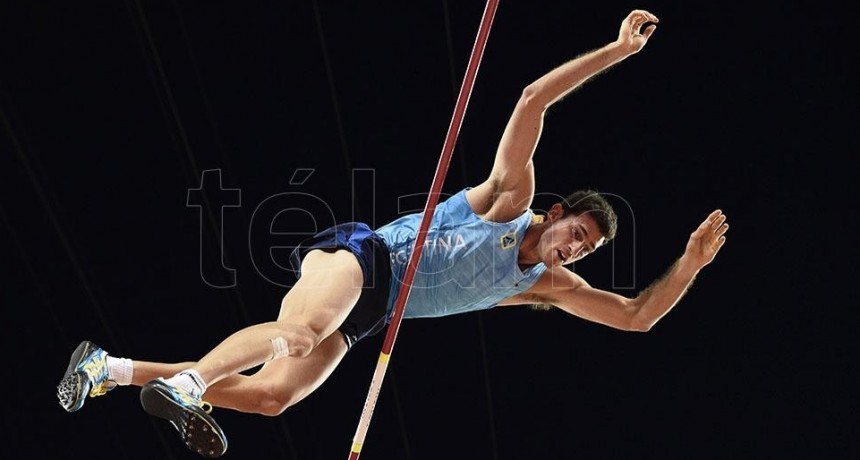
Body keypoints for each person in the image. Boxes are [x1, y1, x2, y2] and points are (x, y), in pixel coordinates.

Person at [57, 9, 728, 458]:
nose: (576, 249)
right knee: (299, 332)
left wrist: (691, 264)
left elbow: (637, 317)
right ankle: (192, 382)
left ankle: (109, 369)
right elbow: (531, 101)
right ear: (555, 213)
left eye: (587, 249)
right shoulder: (509, 201)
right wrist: (615, 50)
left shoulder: (545, 287)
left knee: (270, 398)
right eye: (576, 233)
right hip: (361, 258)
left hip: (373, 313)